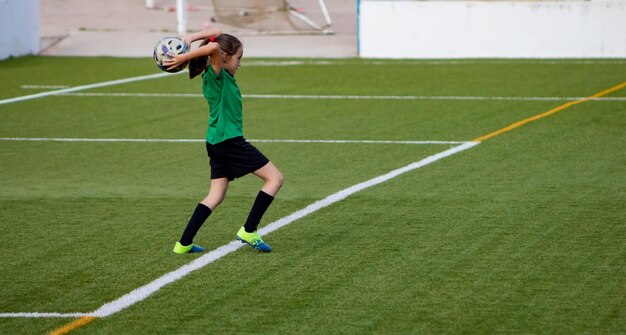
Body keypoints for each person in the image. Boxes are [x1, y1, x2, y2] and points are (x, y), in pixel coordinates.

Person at [164, 28, 284, 253]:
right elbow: (215, 47)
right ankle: (249, 230)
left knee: (216, 195)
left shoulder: (222, 74)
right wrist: (183, 57)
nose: (240, 63)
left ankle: (183, 244)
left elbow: (216, 34)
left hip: (216, 142)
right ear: (226, 58)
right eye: (239, 58)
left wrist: (189, 38)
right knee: (275, 179)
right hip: (229, 142)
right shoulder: (215, 73)